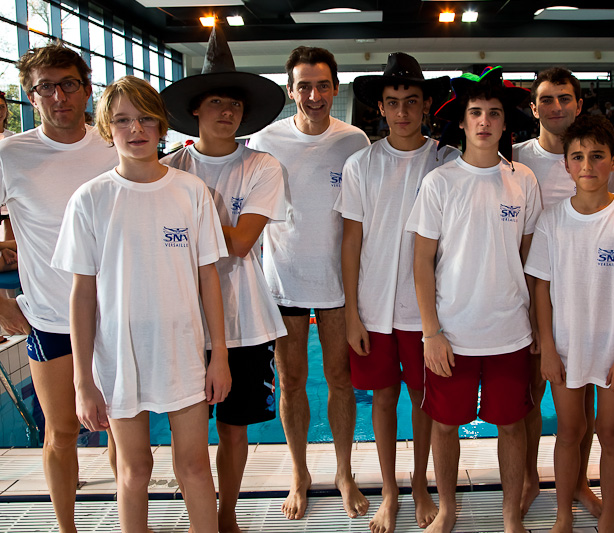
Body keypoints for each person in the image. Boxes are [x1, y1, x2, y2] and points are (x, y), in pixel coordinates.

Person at [51, 75, 230, 533]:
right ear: (106, 128)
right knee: (134, 471)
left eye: (146, 119)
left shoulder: (191, 192)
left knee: (194, 467)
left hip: (183, 352)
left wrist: (220, 356)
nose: (136, 129)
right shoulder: (90, 199)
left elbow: (209, 279)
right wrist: (83, 380)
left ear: (162, 125)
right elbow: (82, 294)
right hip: (119, 357)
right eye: (122, 120)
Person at [160, 25, 288, 533]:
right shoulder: (168, 167)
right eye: (216, 101)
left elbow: (240, 243)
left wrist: (190, 217)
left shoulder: (262, 166)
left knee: (235, 430)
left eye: (234, 103)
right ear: (196, 109)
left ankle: (227, 513)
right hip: (182, 320)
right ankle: (199, 514)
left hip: (244, 320)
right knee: (186, 433)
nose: (226, 111)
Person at [407, 66, 542, 533]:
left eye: (494, 113)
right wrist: (431, 332)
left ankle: (510, 514)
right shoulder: (440, 182)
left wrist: (537, 326)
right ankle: (447, 508)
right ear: (462, 122)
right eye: (476, 113)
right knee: (445, 426)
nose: (485, 121)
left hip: (510, 332)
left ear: (505, 124)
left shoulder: (523, 180)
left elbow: (528, 261)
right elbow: (421, 262)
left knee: (512, 426)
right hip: (453, 333)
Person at [247, 46, 371, 521]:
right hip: (284, 282)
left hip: (338, 284)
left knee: (341, 380)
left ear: (336, 88)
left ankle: (343, 472)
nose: (314, 96)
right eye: (304, 86)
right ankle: (299, 473)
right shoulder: (265, 141)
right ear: (290, 90)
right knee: (292, 381)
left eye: (322, 86)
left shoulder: (354, 140)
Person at [0, 43, 119, 533]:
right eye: (44, 87)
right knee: (62, 429)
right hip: (51, 315)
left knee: (123, 427)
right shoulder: (11, 155)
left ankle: (131, 518)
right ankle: (67, 528)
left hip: (116, 314)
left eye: (68, 84)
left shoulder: (114, 145)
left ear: (87, 90)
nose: (58, 96)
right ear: (31, 97)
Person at [339, 52, 458, 533]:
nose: (402, 111)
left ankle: (420, 482)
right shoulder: (361, 164)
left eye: (412, 101)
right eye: (393, 102)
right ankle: (390, 489)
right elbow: (351, 242)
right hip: (374, 306)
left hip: (426, 310)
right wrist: (351, 313)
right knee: (384, 399)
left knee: (425, 400)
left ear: (427, 104)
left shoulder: (447, 160)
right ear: (381, 108)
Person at [512, 66, 614, 517]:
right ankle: (529, 479)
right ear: (534, 107)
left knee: (586, 414)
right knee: (533, 400)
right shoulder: (517, 159)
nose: (556, 106)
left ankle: (578, 484)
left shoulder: (609, 176)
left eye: (564, 98)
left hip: (594, 307)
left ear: (579, 105)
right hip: (534, 299)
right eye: (547, 98)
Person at [526, 115, 614, 533]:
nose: (587, 165)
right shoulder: (552, 220)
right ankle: (563, 513)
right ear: (566, 165)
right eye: (577, 157)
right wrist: (546, 346)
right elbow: (541, 288)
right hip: (566, 346)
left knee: (611, 433)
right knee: (569, 430)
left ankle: (610, 515)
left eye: (597, 156)